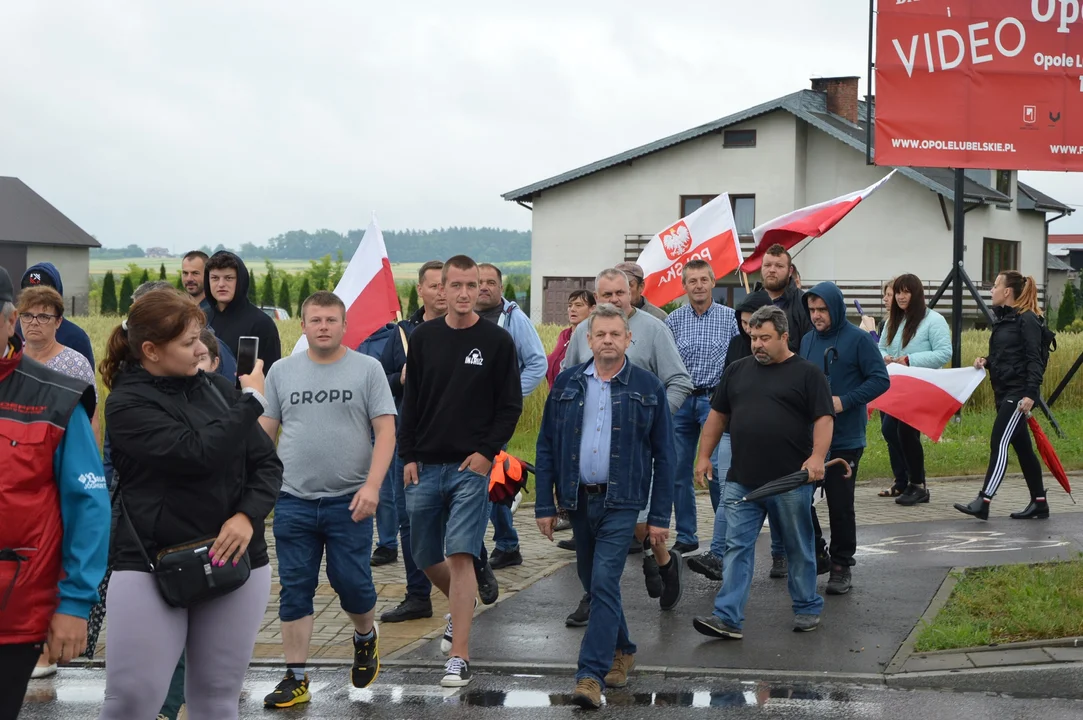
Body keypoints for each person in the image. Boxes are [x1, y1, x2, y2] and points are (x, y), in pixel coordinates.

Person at [97, 289, 283, 719]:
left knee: (217, 699)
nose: (202, 350)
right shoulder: (127, 404)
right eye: (188, 343)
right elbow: (195, 454)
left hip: (235, 560)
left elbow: (268, 466)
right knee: (131, 700)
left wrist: (246, 516)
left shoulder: (218, 390)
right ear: (151, 350)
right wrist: (250, 402)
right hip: (151, 564)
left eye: (201, 337)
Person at [259, 291, 397, 708]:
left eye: (331, 320)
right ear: (302, 325)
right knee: (295, 587)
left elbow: (386, 431)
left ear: (344, 325)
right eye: (315, 320)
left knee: (350, 583)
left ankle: (364, 636)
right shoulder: (283, 372)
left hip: (349, 500)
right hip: (294, 500)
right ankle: (295, 677)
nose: (323, 327)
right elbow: (266, 428)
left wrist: (372, 486)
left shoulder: (367, 370)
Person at [535, 303, 675, 709]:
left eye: (616, 334)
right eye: (601, 335)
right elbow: (546, 446)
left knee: (603, 581)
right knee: (593, 581)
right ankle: (624, 647)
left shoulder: (648, 387)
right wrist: (546, 505)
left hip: (623, 501)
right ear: (589, 339)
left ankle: (589, 676)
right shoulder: (566, 384)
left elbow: (665, 457)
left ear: (628, 339)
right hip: (578, 500)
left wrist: (659, 518)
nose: (608, 341)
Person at [397, 255, 523, 687]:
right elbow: (410, 403)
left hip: (471, 467)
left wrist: (488, 453)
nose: (466, 293)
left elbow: (510, 406)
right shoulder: (425, 339)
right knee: (423, 554)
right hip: (424, 465)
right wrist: (407, 455)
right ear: (441, 289)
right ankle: (461, 608)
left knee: (462, 552)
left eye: (474, 285)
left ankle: (459, 655)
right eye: (456, 286)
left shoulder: (497, 342)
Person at [0, 266, 109, 720]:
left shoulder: (57, 399)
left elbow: (89, 507)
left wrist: (74, 604)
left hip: (14, 612)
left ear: (10, 322)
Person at [693, 305, 833, 639]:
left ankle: (806, 607)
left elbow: (824, 419)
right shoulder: (737, 371)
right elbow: (717, 417)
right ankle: (727, 618)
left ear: (784, 337)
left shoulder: (807, 374)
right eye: (753, 337)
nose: (757, 344)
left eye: (765, 338)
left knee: (798, 547)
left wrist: (816, 458)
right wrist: (704, 457)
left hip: (789, 480)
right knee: (735, 547)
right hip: (741, 479)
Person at [563, 268, 691, 619]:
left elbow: (679, 380)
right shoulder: (582, 334)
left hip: (639, 449)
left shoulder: (654, 331)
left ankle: (664, 561)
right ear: (596, 298)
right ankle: (595, 595)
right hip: (596, 450)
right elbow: (567, 381)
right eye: (606, 295)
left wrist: (655, 416)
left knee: (643, 526)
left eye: (620, 293)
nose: (614, 300)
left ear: (632, 292)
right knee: (602, 534)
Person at [686, 290, 782, 582]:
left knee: (778, 499)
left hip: (775, 439)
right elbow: (723, 402)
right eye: (744, 324)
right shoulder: (736, 347)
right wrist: (705, 454)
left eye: (754, 326)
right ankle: (717, 554)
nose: (749, 332)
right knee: (730, 495)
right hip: (733, 432)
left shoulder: (788, 359)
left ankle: (782, 553)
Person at [801, 283, 890, 595]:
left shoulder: (858, 340)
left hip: (846, 437)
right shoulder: (807, 341)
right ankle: (816, 550)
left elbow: (881, 380)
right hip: (810, 438)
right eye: (812, 310)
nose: (816, 316)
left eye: (822, 310)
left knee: (839, 505)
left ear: (836, 308)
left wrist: (845, 400)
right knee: (798, 499)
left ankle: (841, 565)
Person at [377, 261, 447, 622]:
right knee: (408, 521)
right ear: (420, 289)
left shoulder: (466, 331)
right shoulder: (402, 334)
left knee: (454, 519)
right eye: (432, 285)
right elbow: (381, 381)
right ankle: (418, 595)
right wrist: (399, 377)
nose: (439, 292)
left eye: (443, 285)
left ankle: (471, 576)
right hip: (410, 442)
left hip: (452, 441)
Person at [955, 271, 1051, 521]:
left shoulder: (1027, 320)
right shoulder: (1005, 320)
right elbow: (1007, 356)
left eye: (995, 286)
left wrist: (1030, 393)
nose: (991, 290)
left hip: (1018, 395)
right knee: (1024, 450)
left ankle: (984, 500)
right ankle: (1039, 502)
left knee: (999, 441)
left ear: (1007, 291)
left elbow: (1034, 360)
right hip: (1004, 392)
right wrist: (985, 361)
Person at [476, 263, 547, 570]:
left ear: (501, 288)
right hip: (459, 414)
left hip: (494, 416)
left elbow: (537, 363)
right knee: (483, 477)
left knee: (489, 476)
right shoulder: (462, 317)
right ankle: (499, 543)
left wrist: (511, 398)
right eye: (478, 282)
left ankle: (505, 543)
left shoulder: (514, 319)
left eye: (491, 282)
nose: (484, 288)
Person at [665, 259, 739, 554]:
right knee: (677, 470)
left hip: (715, 402)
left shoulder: (730, 318)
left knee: (718, 470)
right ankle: (686, 535)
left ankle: (724, 535)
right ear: (683, 286)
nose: (698, 286)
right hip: (681, 401)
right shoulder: (672, 321)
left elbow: (738, 361)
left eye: (703, 280)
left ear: (713, 283)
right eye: (692, 281)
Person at [879, 274, 952, 507]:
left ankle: (918, 485)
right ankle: (908, 480)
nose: (900, 296)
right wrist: (886, 357)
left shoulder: (934, 320)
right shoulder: (893, 321)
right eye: (898, 292)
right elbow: (879, 347)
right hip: (897, 387)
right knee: (890, 429)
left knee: (906, 432)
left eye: (906, 292)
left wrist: (910, 359)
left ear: (917, 294)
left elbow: (944, 353)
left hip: (922, 386)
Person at [203, 250, 282, 371]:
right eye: (214, 278)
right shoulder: (201, 318)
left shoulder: (261, 324)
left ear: (240, 281)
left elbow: (272, 375)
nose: (221, 284)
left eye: (229, 278)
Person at [19, 262, 95, 367]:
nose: (34, 322)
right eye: (30, 294)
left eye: (43, 317)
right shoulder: (11, 333)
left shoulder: (77, 337)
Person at [758, 245, 811, 352]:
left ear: (790, 271)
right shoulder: (751, 302)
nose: (772, 270)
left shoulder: (804, 303)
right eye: (767, 265)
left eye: (779, 266)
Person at [547, 290, 596, 389]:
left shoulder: (593, 337)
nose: (572, 309)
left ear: (592, 309)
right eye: (570, 305)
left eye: (578, 305)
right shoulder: (564, 335)